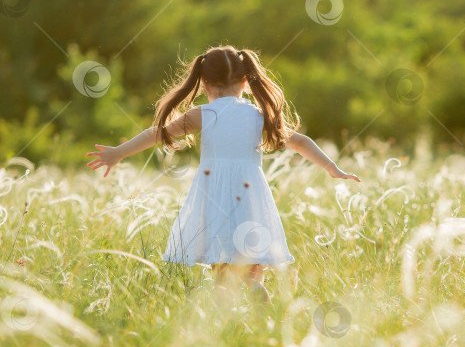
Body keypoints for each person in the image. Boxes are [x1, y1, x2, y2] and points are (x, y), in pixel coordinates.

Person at [86, 45, 360, 302]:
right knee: (251, 249)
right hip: (250, 190)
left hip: (213, 190)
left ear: (204, 84)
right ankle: (255, 286)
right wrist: (332, 168)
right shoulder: (257, 115)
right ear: (245, 82)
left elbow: (157, 134)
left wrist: (119, 152)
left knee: (220, 252)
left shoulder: (204, 114)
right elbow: (300, 141)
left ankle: (222, 306)